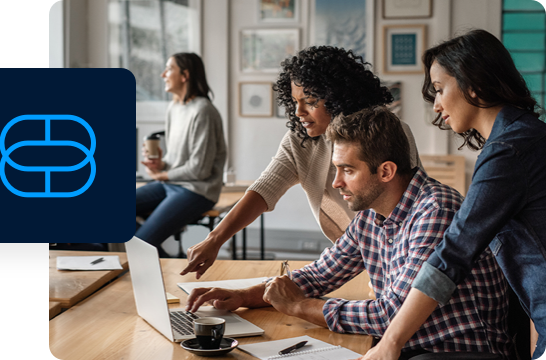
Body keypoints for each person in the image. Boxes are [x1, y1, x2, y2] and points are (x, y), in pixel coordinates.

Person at [186, 106, 513, 359]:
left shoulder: (435, 210)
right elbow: (320, 275)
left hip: (457, 351)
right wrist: (245, 296)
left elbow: (388, 316)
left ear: (385, 171)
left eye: (347, 170)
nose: (336, 182)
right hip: (410, 345)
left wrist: (300, 308)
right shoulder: (372, 213)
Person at [358, 29, 546, 360]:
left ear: (474, 83)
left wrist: (390, 342)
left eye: (441, 89)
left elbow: (454, 252)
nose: (437, 107)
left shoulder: (509, 152)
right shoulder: (523, 138)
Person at [181, 46, 422, 278]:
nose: (298, 111)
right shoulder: (301, 140)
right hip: (351, 255)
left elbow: (406, 208)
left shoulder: (387, 133)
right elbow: (265, 189)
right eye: (295, 101)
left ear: (339, 97)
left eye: (310, 101)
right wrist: (214, 240)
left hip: (400, 253)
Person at [136, 53, 227, 258]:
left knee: (141, 244)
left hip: (196, 191)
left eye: (169, 69)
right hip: (172, 184)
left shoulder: (203, 111)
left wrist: (163, 175)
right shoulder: (174, 107)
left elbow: (199, 169)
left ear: (185, 75)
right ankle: (156, 261)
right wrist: (161, 164)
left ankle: (167, 274)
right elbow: (177, 161)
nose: (163, 74)